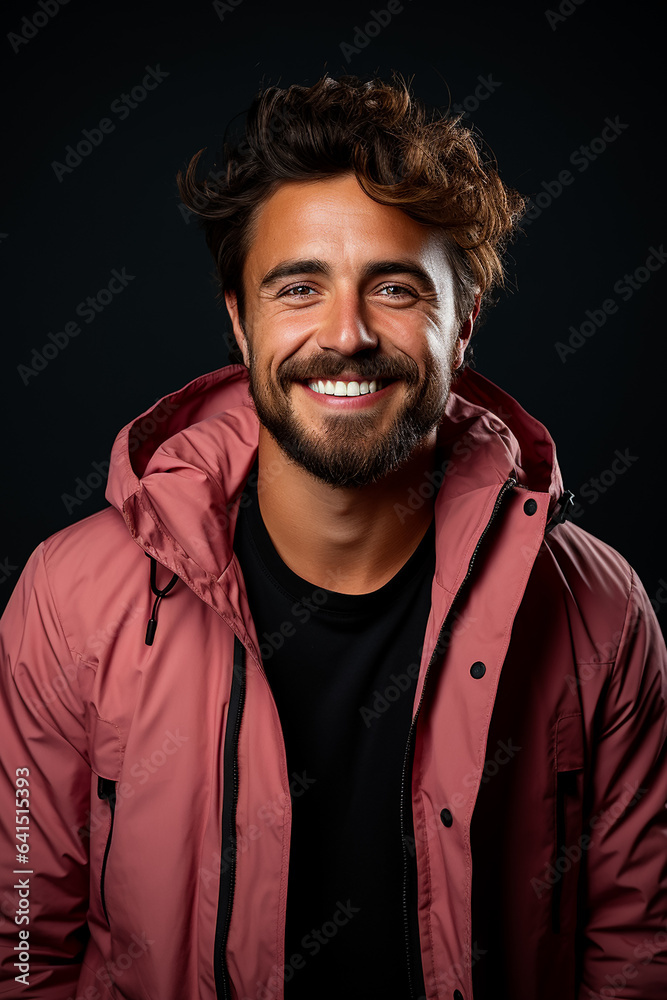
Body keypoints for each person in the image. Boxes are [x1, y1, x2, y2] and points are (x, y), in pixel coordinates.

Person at [0, 72, 665, 1000]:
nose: (345, 335)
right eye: (298, 286)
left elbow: (635, 948)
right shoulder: (70, 600)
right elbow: (25, 943)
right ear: (240, 321)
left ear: (462, 326)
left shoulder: (599, 609)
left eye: (394, 288)